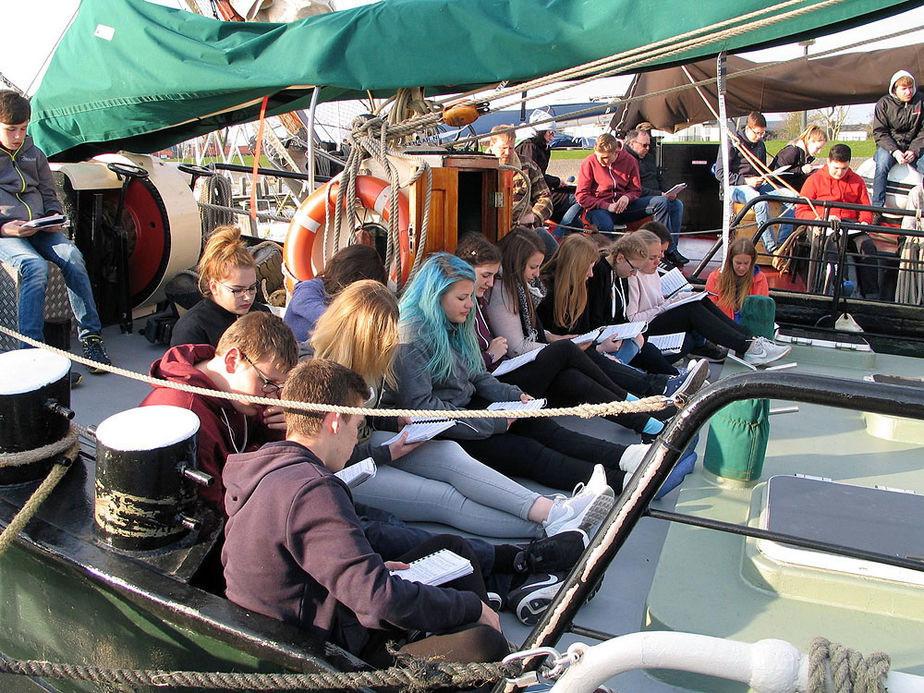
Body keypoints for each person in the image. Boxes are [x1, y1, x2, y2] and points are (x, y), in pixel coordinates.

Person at [222, 358, 510, 669]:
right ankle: (497, 657)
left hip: (314, 616)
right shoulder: (312, 491)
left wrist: (369, 567)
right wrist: (471, 608)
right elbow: (378, 601)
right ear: (334, 421)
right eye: (356, 427)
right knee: (484, 643)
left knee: (455, 551)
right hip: (323, 657)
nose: (354, 440)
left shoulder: (265, 470)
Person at [309, 278, 614, 539]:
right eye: (383, 334)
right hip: (344, 471)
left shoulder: (370, 364)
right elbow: (332, 458)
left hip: (367, 446)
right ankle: (555, 527)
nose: (390, 341)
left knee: (449, 454)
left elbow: (370, 421)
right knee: (442, 497)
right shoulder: (322, 378)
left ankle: (554, 510)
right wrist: (387, 452)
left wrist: (395, 423)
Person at [389, 251, 655, 493]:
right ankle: (626, 483)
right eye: (461, 298)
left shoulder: (453, 323)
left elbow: (477, 375)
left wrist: (514, 397)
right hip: (445, 427)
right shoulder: (412, 339)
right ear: (435, 296)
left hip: (469, 407)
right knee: (528, 453)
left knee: (543, 427)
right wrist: (491, 422)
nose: (470, 304)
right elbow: (420, 407)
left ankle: (628, 456)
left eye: (470, 296)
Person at [455, 234, 704, 437]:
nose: (536, 273)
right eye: (532, 267)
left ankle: (645, 420)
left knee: (575, 379)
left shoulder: (519, 289)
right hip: (506, 373)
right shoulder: (503, 291)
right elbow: (518, 348)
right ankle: (643, 398)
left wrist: (556, 339)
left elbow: (534, 334)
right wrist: (558, 345)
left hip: (514, 367)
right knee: (569, 351)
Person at [0, 90, 110, 376]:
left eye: (23, 129)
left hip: (40, 228)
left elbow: (49, 195)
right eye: (11, 130)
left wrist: (51, 217)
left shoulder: (34, 155)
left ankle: (91, 339)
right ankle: (34, 356)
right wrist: (4, 227)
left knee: (72, 256)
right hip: (6, 233)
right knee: (34, 266)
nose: (18, 136)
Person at [141, 311, 295, 511]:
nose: (273, 397)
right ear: (232, 361)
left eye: (279, 387)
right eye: (267, 383)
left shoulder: (240, 394)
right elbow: (213, 511)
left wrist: (274, 428)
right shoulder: (186, 419)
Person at [626, 229, 791, 366]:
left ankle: (750, 340)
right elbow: (633, 319)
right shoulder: (633, 277)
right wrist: (667, 305)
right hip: (645, 328)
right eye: (653, 258)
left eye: (659, 256)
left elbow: (657, 302)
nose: (658, 261)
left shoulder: (651, 272)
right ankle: (748, 346)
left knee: (700, 300)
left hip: (656, 316)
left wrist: (678, 298)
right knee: (691, 310)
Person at [795, 143, 881, 299]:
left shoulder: (857, 181)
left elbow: (865, 208)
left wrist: (865, 222)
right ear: (828, 162)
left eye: (844, 168)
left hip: (851, 226)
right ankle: (834, 291)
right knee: (833, 247)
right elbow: (801, 211)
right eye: (836, 168)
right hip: (825, 225)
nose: (840, 172)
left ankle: (871, 297)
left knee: (867, 246)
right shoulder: (814, 180)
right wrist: (820, 219)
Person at [170, 225, 270, 347]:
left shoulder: (262, 315)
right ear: (214, 287)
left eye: (252, 288)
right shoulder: (192, 328)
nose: (248, 297)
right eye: (237, 290)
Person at [714, 111, 796, 253]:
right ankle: (772, 248)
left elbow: (761, 168)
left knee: (792, 198)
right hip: (735, 186)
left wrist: (764, 177)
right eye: (757, 133)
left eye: (762, 133)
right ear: (748, 128)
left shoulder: (760, 145)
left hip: (757, 184)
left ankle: (783, 243)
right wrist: (746, 181)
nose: (759, 137)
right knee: (760, 203)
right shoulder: (731, 142)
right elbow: (720, 173)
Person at [284, 243, 386, 343]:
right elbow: (302, 303)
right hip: (296, 353)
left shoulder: (349, 307)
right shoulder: (311, 287)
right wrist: (350, 325)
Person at [625, 128, 687, 267]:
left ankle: (672, 247)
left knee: (677, 204)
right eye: (644, 145)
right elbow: (634, 188)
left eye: (649, 145)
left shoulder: (649, 158)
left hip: (655, 195)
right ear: (632, 144)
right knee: (662, 202)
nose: (648, 148)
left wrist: (669, 191)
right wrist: (660, 194)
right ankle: (664, 250)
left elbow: (658, 177)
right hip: (636, 199)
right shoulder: (626, 160)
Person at [871, 70, 924, 214]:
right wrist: (894, 151)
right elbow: (880, 132)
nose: (908, 92)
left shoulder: (921, 101)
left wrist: (914, 150)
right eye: (904, 88)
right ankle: (876, 209)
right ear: (895, 89)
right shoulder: (883, 104)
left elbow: (923, 131)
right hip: (890, 146)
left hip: (915, 146)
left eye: (911, 88)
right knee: (881, 166)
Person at [515, 108, 578, 225]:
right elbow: (532, 175)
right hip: (533, 195)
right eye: (550, 133)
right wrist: (556, 181)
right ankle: (560, 231)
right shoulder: (529, 147)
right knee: (578, 198)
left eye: (554, 133)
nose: (552, 137)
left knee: (577, 223)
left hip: (542, 188)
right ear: (541, 131)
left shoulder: (541, 147)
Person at [705, 237, 769, 321]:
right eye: (738, 263)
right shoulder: (715, 277)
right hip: (722, 326)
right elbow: (709, 310)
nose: (742, 267)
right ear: (731, 260)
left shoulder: (760, 278)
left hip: (749, 328)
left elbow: (761, 311)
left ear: (752, 261)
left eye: (746, 263)